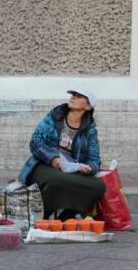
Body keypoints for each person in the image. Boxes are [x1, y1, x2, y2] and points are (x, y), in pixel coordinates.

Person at [19, 88, 106, 220]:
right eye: (73, 95)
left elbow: (94, 159)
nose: (73, 97)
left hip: (70, 168)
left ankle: (65, 219)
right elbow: (36, 142)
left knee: (98, 187)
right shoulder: (55, 117)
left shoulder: (90, 130)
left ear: (88, 106)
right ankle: (41, 216)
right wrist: (53, 158)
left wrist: (88, 168)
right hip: (44, 164)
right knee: (55, 179)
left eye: (79, 96)